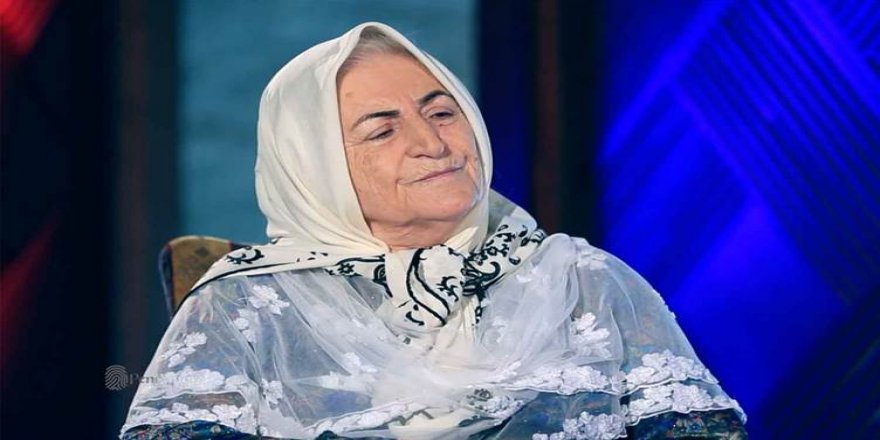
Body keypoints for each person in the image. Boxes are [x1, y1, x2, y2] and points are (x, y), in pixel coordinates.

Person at [120, 22, 747, 440]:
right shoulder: (246, 304)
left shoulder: (584, 282)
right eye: (383, 130)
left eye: (443, 112)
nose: (432, 143)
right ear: (312, 165)